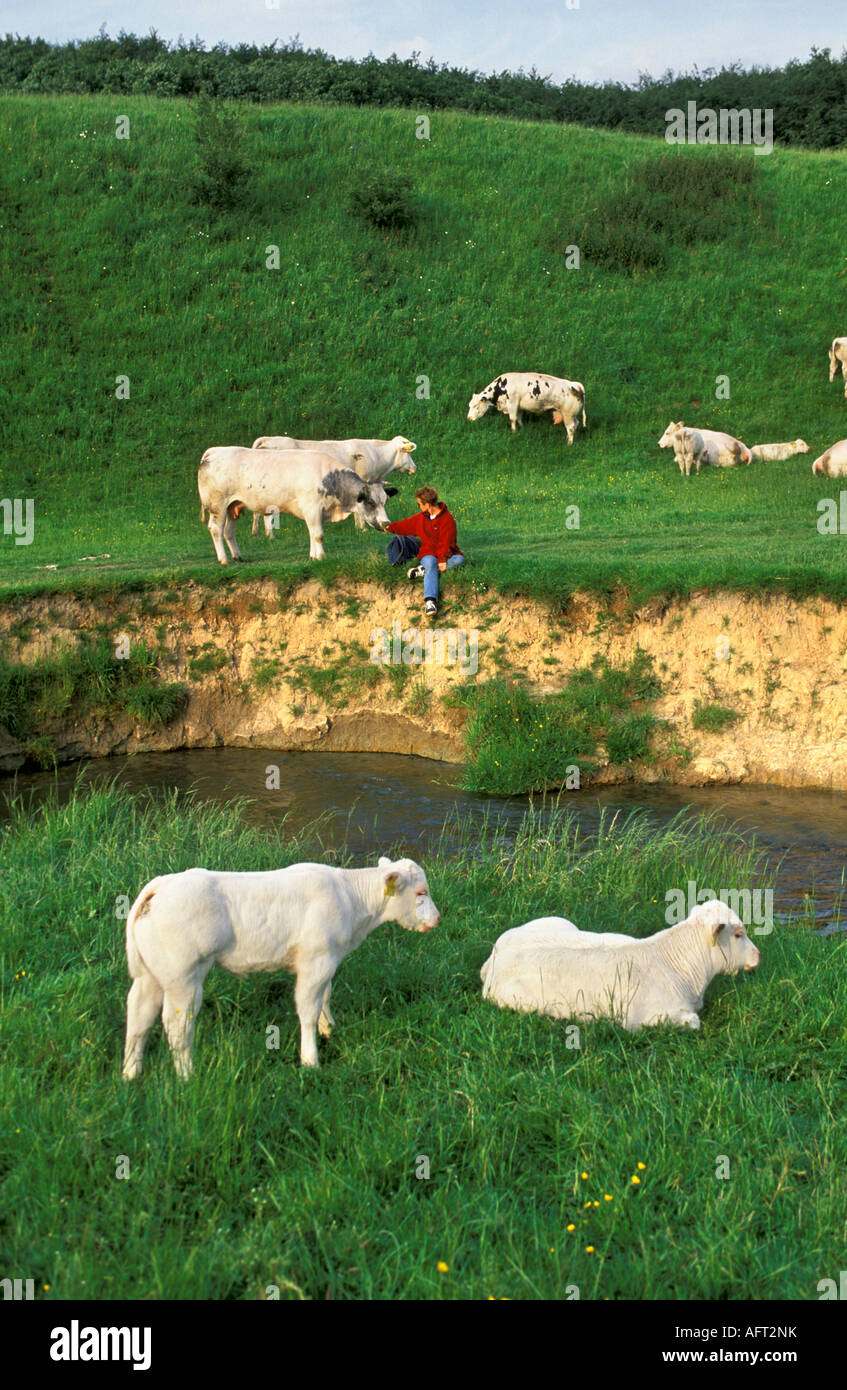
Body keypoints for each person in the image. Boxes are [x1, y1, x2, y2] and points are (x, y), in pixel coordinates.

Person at [383, 486, 465, 616]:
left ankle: (423, 570)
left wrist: (443, 559)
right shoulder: (422, 517)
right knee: (431, 563)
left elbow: (446, 543)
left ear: (427, 504)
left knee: (460, 560)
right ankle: (430, 602)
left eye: (419, 504)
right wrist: (390, 527)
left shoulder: (447, 520)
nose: (418, 506)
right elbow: (406, 525)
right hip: (428, 554)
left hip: (448, 553)